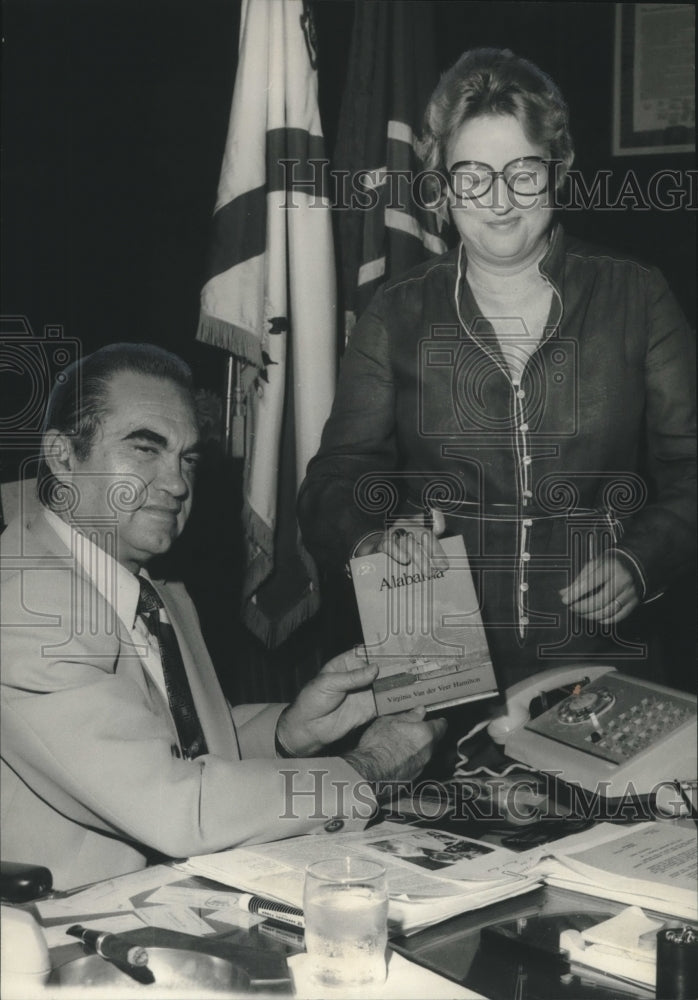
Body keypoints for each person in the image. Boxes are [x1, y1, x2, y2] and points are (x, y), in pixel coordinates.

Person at [298, 48, 696, 688]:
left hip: (600, 659)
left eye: (523, 172)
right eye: (474, 175)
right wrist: (371, 539)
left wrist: (642, 560)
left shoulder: (637, 295)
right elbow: (333, 481)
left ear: (558, 171)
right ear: (440, 186)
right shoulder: (395, 313)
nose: (501, 199)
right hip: (436, 661)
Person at [0, 343, 446, 891]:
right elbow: (175, 806)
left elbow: (172, 745)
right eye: (145, 449)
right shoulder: (28, 601)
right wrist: (369, 769)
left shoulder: (152, 588)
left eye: (187, 459)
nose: (178, 483)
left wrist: (289, 732)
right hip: (63, 933)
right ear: (62, 456)